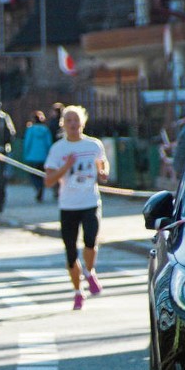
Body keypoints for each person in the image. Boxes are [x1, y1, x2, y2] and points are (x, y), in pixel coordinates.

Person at [44, 105, 109, 311]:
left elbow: (102, 164)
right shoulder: (58, 149)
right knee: (70, 251)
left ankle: (90, 273)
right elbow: (48, 181)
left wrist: (104, 172)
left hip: (90, 202)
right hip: (68, 206)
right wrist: (66, 166)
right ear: (63, 124)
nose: (73, 124)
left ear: (82, 122)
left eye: (76, 120)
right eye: (69, 120)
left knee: (90, 240)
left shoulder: (94, 145)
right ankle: (77, 291)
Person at [23, 110, 53, 202]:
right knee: (42, 174)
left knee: (33, 175)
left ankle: (38, 188)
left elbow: (27, 142)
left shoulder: (30, 130)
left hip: (32, 156)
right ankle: (41, 188)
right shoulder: (46, 130)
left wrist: (26, 154)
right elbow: (49, 143)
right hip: (43, 157)